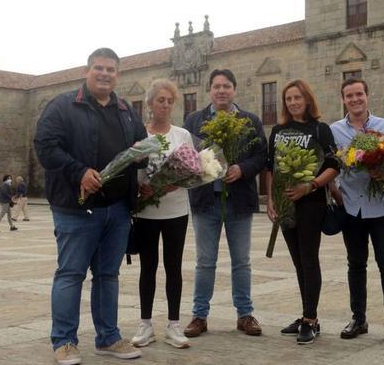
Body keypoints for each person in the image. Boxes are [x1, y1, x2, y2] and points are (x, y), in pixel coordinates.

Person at [34, 47, 147, 364]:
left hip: (118, 209)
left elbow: (142, 150)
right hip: (75, 209)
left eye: (111, 69)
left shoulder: (126, 110)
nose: (105, 74)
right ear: (87, 70)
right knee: (70, 274)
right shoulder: (62, 106)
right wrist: (79, 172)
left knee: (108, 276)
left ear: (117, 74)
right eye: (99, 68)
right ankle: (64, 342)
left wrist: (144, 154)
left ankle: (108, 337)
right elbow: (44, 147)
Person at [182, 68, 267, 339]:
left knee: (241, 261)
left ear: (234, 89)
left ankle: (244, 314)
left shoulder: (250, 120)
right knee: (205, 262)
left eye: (226, 86)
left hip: (239, 202)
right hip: (206, 202)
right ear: (209, 90)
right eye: (217, 86)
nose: (221, 90)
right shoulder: (194, 120)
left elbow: (261, 156)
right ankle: (199, 316)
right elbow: (185, 157)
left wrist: (242, 169)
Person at [330, 77, 384, 348]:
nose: (355, 99)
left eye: (359, 94)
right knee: (356, 265)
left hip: (382, 206)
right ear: (343, 99)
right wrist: (336, 194)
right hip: (352, 208)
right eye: (349, 96)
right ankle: (359, 319)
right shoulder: (335, 130)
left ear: (367, 96)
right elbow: (331, 166)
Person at [266, 79, 339, 345]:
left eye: (297, 98)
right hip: (286, 204)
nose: (293, 103)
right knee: (298, 261)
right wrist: (271, 201)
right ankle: (307, 314)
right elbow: (271, 167)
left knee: (309, 259)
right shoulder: (278, 130)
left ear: (307, 99)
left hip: (311, 203)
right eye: (288, 99)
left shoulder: (320, 129)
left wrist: (310, 186)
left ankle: (311, 320)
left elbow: (333, 165)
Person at [130, 79, 193, 350]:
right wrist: (139, 187)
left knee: (174, 267)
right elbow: (130, 170)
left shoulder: (182, 135)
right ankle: (145, 324)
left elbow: (192, 170)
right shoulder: (140, 135)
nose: (165, 105)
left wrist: (174, 183)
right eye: (160, 100)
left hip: (176, 210)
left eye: (170, 101)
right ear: (150, 104)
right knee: (148, 268)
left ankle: (174, 325)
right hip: (146, 212)